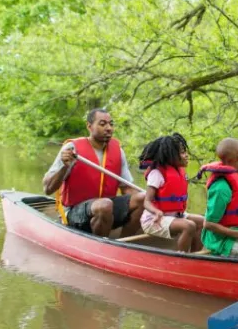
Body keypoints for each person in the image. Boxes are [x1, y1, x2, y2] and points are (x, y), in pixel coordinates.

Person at [43, 108, 145, 237]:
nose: (109, 128)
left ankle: (124, 242)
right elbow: (47, 189)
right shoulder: (72, 149)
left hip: (105, 208)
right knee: (105, 205)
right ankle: (102, 245)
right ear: (89, 127)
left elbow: (127, 189)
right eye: (102, 124)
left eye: (111, 124)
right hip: (75, 212)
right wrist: (64, 167)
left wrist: (152, 203)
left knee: (143, 198)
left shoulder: (118, 151)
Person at [138, 133, 205, 252]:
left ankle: (195, 255)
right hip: (153, 220)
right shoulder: (157, 173)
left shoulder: (179, 172)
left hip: (174, 216)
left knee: (202, 221)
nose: (186, 156)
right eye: (182, 153)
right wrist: (156, 211)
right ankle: (181, 259)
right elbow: (147, 202)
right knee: (189, 226)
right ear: (171, 155)